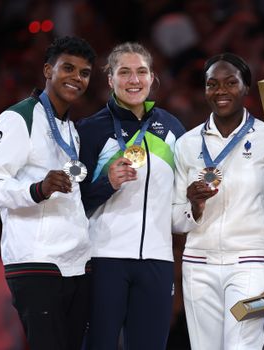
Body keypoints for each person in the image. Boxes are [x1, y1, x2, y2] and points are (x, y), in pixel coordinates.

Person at [0, 36, 96, 350]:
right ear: (47, 70)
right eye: (67, 68)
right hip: (35, 262)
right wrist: (36, 189)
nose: (76, 77)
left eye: (84, 73)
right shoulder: (18, 118)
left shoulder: (71, 129)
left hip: (75, 264)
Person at [172, 52, 264, 350]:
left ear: (246, 87)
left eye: (230, 83)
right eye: (212, 84)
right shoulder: (186, 143)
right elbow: (174, 219)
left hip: (252, 261)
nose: (221, 91)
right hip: (198, 264)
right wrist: (194, 208)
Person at [76, 42, 186, 350]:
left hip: (157, 260)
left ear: (153, 77)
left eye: (141, 72)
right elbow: (74, 203)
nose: (133, 80)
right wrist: (106, 183)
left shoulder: (173, 129)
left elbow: (181, 196)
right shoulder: (91, 130)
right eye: (124, 72)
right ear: (110, 79)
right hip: (104, 258)